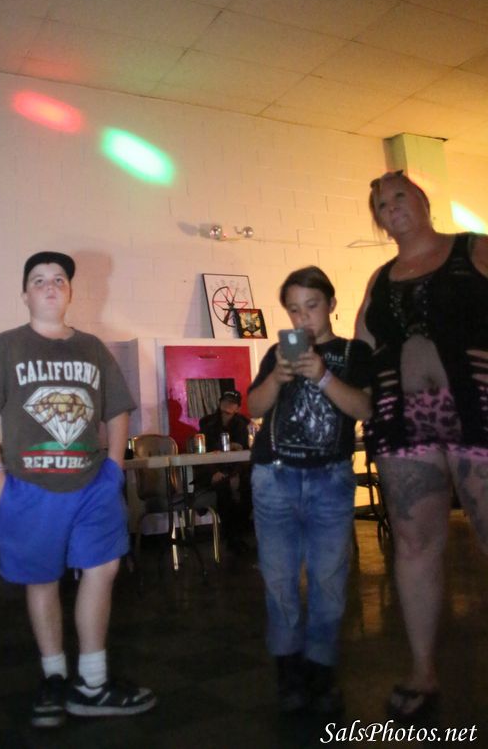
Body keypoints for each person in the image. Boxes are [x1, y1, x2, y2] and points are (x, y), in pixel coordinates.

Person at [0, 251, 156, 729]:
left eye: (59, 279)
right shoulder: (4, 347)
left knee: (103, 568)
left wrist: (113, 469)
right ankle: (53, 678)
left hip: (92, 485)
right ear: (25, 294)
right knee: (42, 579)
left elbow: (117, 410)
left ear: (69, 292)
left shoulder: (92, 349)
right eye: (39, 280)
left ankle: (92, 682)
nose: (50, 286)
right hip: (29, 488)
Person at [355, 170, 488, 722]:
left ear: (424, 200)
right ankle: (422, 670)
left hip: (479, 413)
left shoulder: (474, 249)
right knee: (413, 544)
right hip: (402, 423)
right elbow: (362, 346)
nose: (391, 207)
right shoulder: (379, 278)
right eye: (381, 205)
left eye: (399, 196)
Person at [248, 266, 371, 714]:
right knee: (278, 580)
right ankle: (288, 673)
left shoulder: (354, 353)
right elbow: (253, 406)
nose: (303, 319)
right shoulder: (276, 353)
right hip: (274, 476)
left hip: (330, 479)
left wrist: (322, 375)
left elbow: (365, 408)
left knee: (329, 580)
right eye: (294, 310)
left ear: (331, 304)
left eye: (312, 306)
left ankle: (320, 672)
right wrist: (276, 378)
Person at [196, 390, 252, 553]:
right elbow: (203, 452)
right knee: (223, 489)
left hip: (236, 471)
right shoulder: (207, 423)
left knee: (249, 488)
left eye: (232, 402)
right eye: (225, 401)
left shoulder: (243, 424)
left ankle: (237, 535)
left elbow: (244, 453)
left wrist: (235, 474)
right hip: (213, 471)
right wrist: (214, 472)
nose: (228, 405)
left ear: (238, 407)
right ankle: (232, 538)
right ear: (220, 403)